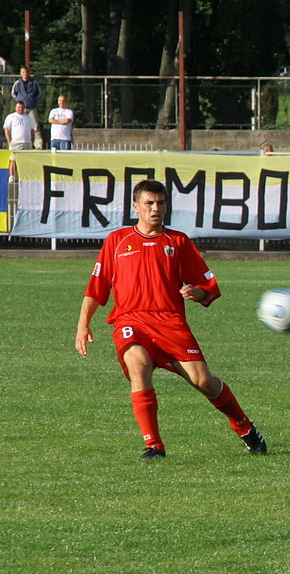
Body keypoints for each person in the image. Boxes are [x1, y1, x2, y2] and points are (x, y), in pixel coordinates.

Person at [75, 180, 267, 459]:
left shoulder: (177, 242)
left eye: (161, 203)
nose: (155, 209)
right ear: (136, 207)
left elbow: (209, 289)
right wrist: (83, 324)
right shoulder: (117, 241)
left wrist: (196, 292)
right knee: (138, 367)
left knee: (203, 381)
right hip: (131, 320)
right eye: (149, 203)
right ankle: (154, 445)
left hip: (171, 323)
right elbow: (96, 287)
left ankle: (244, 426)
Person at [11, 67, 43, 149]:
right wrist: (19, 100)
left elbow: (39, 94)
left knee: (35, 126)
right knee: (20, 125)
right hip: (21, 109)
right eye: (23, 72)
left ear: (28, 73)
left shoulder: (34, 83)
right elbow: (13, 94)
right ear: (21, 73)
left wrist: (33, 100)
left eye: (26, 72)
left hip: (32, 107)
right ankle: (19, 142)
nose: (25, 74)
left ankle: (38, 145)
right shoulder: (17, 83)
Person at [4, 101, 35, 181]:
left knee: (26, 161)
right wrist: (9, 140)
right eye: (19, 107)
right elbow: (7, 128)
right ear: (15, 107)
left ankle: (24, 177)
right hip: (16, 142)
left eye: (22, 107)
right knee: (13, 159)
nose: (20, 109)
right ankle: (12, 176)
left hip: (27, 142)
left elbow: (32, 129)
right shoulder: (11, 117)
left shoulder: (28, 117)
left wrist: (32, 139)